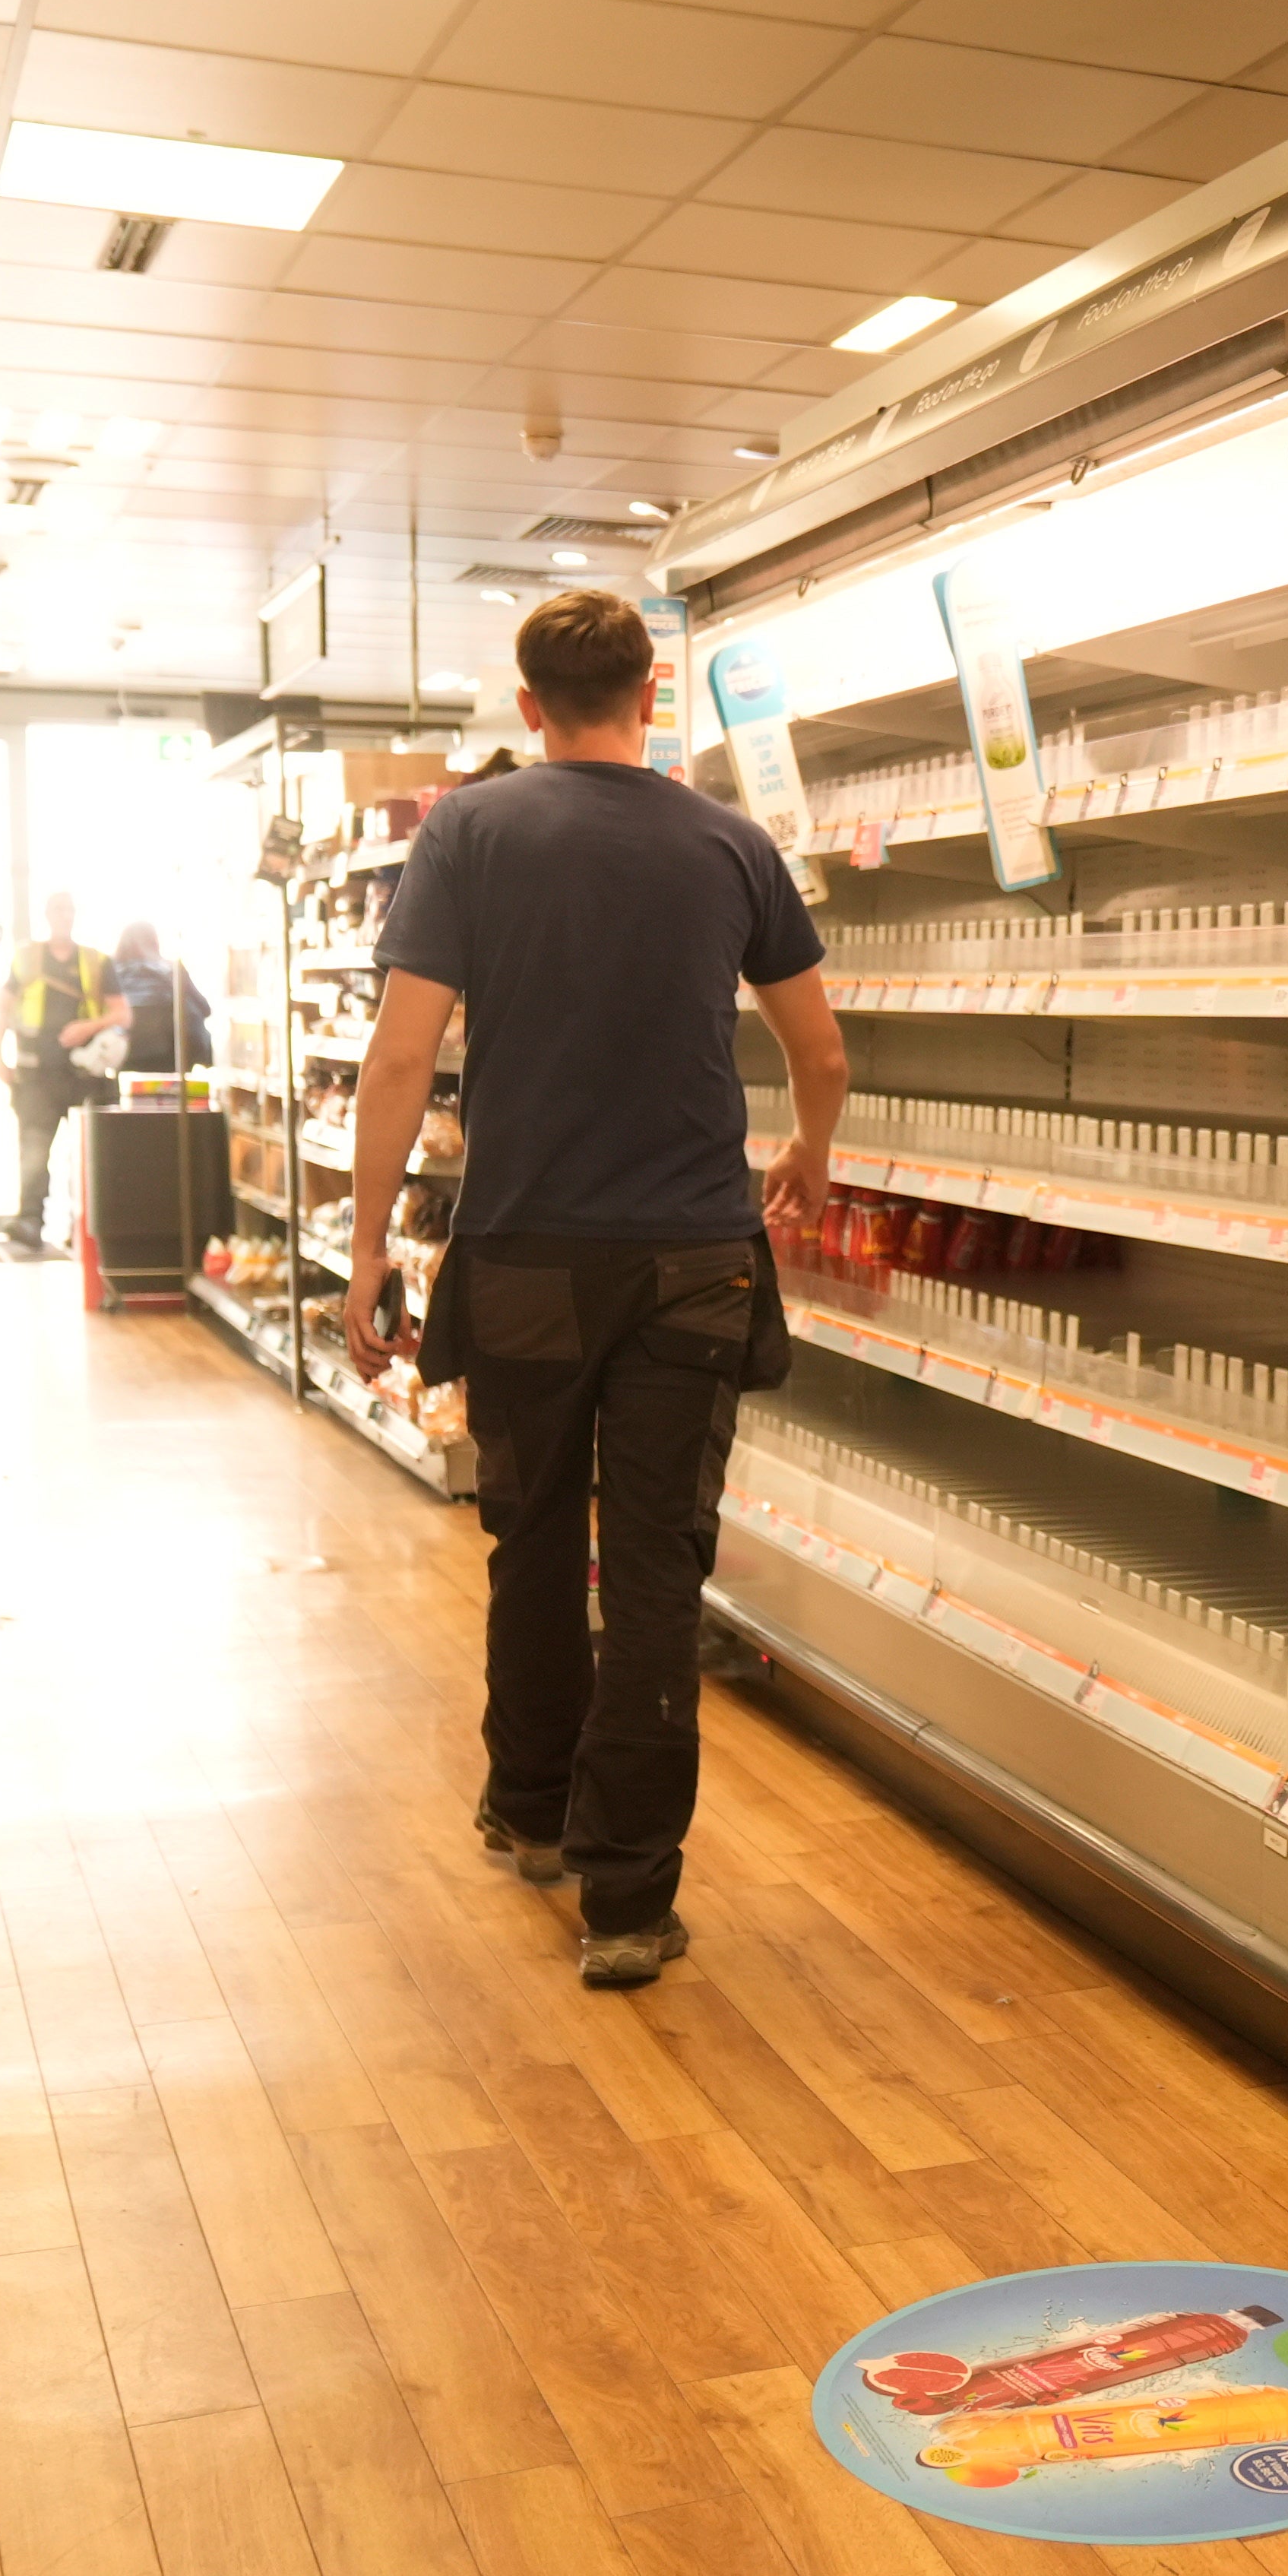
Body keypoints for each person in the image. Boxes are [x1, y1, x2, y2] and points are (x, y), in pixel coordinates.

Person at [345, 589, 848, 1988]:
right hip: (693, 1257)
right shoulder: (730, 844)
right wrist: (810, 1150)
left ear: (528, 709)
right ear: (653, 694)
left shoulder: (471, 831)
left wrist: (371, 1242)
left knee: (529, 1541)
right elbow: (822, 1048)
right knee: (653, 1575)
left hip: (525, 1255)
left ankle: (531, 1813)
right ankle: (628, 1901)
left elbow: (398, 1059)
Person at [0, 891, 105, 1253]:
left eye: (69, 910)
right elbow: (5, 1008)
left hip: (84, 1075)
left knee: (87, 1155)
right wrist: (0, 1058)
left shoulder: (94, 961)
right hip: (36, 1075)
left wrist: (87, 1029)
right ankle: (30, 1220)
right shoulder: (28, 958)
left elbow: (121, 1014)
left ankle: (85, 1228)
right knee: (34, 1149)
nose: (64, 916)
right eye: (57, 910)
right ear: (47, 915)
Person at [94, 920, 209, 1074]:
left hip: (124, 1054)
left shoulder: (111, 970)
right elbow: (204, 1008)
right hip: (170, 1055)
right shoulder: (172, 969)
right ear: (155, 941)